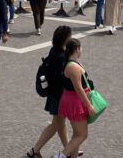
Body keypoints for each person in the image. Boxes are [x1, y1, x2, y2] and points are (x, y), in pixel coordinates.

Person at [26, 25, 73, 158]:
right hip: (59, 96)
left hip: (54, 95)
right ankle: (34, 151)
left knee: (58, 124)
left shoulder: (54, 51)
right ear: (65, 39)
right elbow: (62, 79)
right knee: (56, 125)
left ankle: (68, 149)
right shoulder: (61, 57)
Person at [58, 39, 97, 158]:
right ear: (77, 49)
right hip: (75, 102)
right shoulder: (73, 67)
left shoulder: (72, 63)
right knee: (82, 135)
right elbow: (78, 88)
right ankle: (60, 156)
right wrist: (89, 106)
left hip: (73, 101)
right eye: (81, 48)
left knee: (76, 134)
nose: (81, 50)